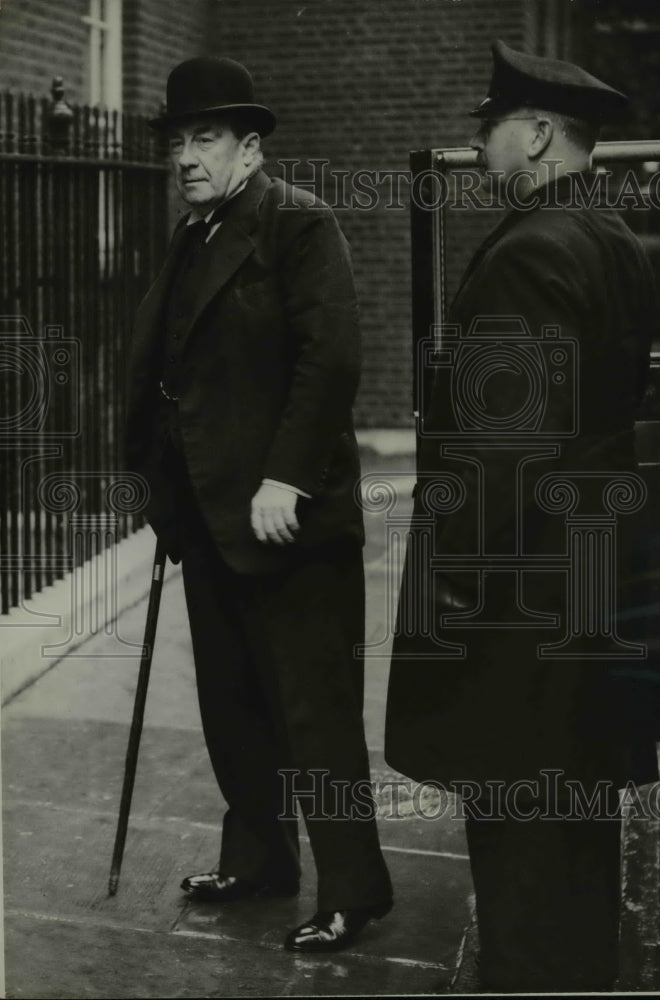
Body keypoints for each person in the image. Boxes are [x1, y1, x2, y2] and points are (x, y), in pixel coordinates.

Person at [385, 40, 658, 992]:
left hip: (523, 598)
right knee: (579, 819)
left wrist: (455, 583)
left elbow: (502, 457)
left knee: (521, 830)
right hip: (586, 579)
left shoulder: (531, 252)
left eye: (491, 126)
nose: (479, 146)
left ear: (538, 132)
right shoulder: (610, 235)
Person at [125, 55, 392, 953]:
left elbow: (331, 361)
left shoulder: (297, 225)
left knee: (313, 714)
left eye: (205, 139)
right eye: (178, 141)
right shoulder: (193, 233)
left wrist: (287, 476)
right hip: (209, 519)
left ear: (249, 148)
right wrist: (165, 494)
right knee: (233, 706)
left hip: (289, 520)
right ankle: (260, 860)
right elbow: (176, 372)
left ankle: (354, 890)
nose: (186, 157)